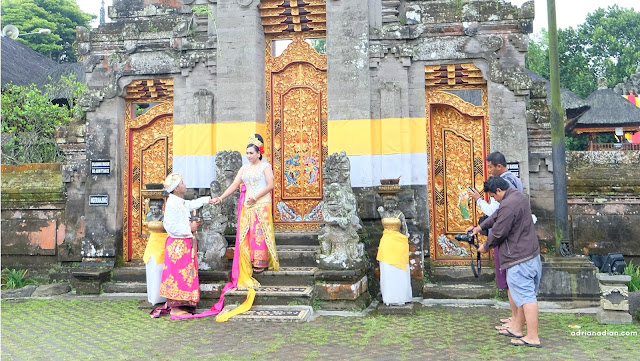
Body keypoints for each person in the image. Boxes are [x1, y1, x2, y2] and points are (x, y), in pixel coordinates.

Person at [172, 134, 280, 322]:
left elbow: (270, 185)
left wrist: (256, 196)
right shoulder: (244, 169)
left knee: (259, 234)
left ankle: (261, 263)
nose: (248, 156)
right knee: (247, 234)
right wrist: (221, 198)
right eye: (246, 153)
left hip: (261, 203)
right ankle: (249, 262)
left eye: (251, 153)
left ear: (259, 153)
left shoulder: (265, 167)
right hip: (248, 205)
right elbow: (234, 185)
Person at [467, 176, 542, 347]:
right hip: (530, 254)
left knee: (527, 297)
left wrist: (485, 247)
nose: (494, 199)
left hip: (519, 257)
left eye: (493, 196)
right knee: (524, 295)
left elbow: (499, 231)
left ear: (499, 191)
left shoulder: (508, 204)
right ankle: (517, 328)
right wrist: (479, 228)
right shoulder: (516, 196)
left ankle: (532, 337)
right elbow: (496, 216)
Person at [467, 151, 523, 329]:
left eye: (490, 167)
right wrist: (480, 228)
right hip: (514, 238)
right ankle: (515, 318)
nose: (489, 170)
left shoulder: (505, 184)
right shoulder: (514, 181)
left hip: (508, 240)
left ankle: (517, 321)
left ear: (499, 166)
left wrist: (478, 200)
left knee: (512, 282)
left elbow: (495, 213)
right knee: (511, 282)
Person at [150, 173, 214, 318]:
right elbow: (169, 226)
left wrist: (207, 200)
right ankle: (175, 307)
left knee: (185, 274)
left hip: (184, 243)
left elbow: (190, 204)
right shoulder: (172, 203)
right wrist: (189, 229)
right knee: (177, 275)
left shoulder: (178, 200)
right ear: (177, 188)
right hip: (178, 245)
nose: (185, 185)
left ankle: (183, 304)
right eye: (182, 183)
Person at [376, 195, 412, 306]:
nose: (390, 205)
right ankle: (389, 297)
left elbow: (405, 231)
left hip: (398, 243)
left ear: (395, 204)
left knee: (399, 271)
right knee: (387, 270)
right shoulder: (382, 213)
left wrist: (405, 242)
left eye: (392, 203)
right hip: (386, 243)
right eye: (388, 203)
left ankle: (401, 296)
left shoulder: (400, 214)